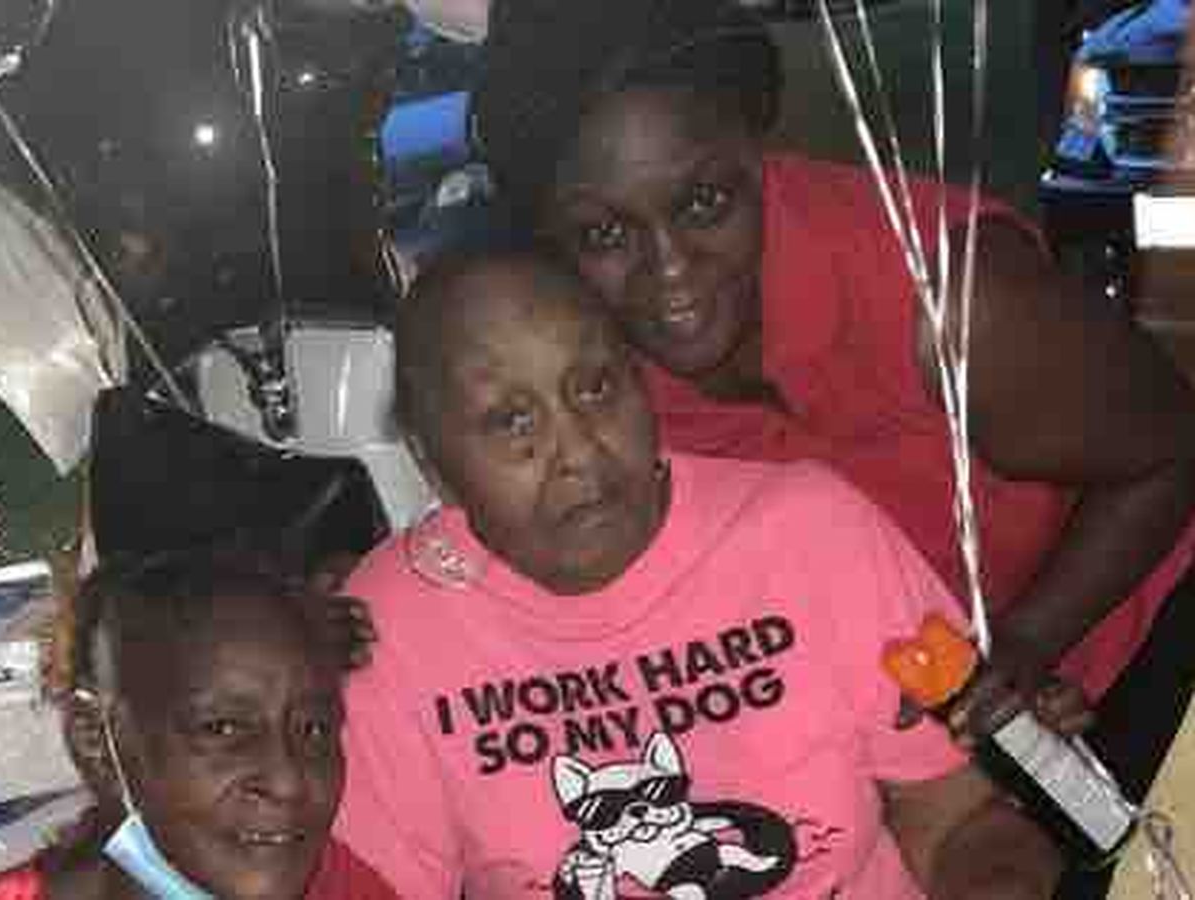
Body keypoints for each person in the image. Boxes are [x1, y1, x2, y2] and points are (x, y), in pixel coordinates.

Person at [470, 0, 1195, 753]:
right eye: (604, 234)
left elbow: (1172, 449)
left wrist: (1025, 643)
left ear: (759, 151)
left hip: (1148, 648)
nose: (671, 270)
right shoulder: (583, 380)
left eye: (705, 203)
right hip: (945, 738)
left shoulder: (949, 303)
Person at [335, 248, 1063, 898]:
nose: (579, 451)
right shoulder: (393, 626)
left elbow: (960, 815)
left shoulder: (812, 533)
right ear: (433, 463)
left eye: (596, 388)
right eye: (511, 421)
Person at [0, 546, 397, 900]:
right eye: (223, 729)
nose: (288, 782)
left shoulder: (339, 886)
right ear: (97, 743)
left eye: (314, 729)